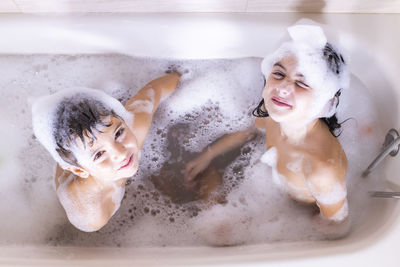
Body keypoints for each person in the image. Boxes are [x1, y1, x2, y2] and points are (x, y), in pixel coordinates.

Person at [184, 24, 350, 224]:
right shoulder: (278, 115)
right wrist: (209, 154)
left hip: (300, 215)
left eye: (302, 83)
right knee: (206, 182)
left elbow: (334, 225)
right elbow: (252, 129)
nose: (283, 88)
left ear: (324, 103)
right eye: (279, 74)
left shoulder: (321, 169)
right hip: (268, 190)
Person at [32, 72, 181, 232]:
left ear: (124, 120)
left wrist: (180, 74)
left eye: (118, 133)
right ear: (79, 171)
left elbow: (155, 90)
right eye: (99, 154)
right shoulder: (90, 212)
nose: (121, 153)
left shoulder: (135, 127)